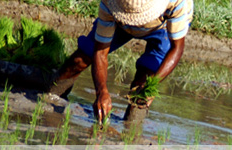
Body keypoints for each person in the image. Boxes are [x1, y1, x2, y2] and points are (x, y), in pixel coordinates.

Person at [53, 0, 193, 123]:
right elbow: (100, 52)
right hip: (121, 21)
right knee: (81, 59)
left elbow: (177, 49)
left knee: (142, 89)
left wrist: (153, 84)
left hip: (162, 26)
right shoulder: (111, 3)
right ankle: (50, 95)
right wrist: (101, 91)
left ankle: (131, 129)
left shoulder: (175, 3)